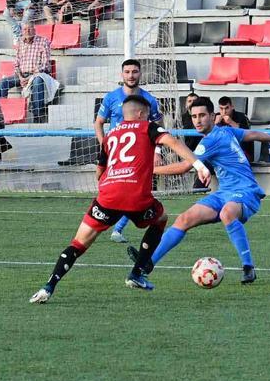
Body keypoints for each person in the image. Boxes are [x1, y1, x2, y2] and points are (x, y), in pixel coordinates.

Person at [30, 95, 210, 303]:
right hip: (136, 196)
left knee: (78, 243)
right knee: (161, 219)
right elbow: (173, 142)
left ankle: (48, 287)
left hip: (108, 196)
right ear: (141, 114)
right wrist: (199, 165)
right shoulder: (148, 127)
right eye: (148, 114)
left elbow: (99, 172)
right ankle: (137, 272)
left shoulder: (110, 135)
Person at [138, 96, 270, 285]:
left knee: (227, 213)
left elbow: (185, 166)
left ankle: (248, 267)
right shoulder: (226, 131)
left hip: (246, 191)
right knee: (184, 219)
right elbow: (252, 134)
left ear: (212, 116)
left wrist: (149, 170)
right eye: (194, 116)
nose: (198, 120)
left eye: (202, 115)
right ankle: (148, 264)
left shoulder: (209, 141)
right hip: (223, 193)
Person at [94, 59, 162, 243]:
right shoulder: (111, 97)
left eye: (134, 72)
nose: (131, 75)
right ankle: (107, 224)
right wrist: (105, 146)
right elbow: (98, 123)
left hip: (139, 154)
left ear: (140, 73)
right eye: (127, 72)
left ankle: (117, 228)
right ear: (122, 74)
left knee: (133, 189)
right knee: (115, 188)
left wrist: (157, 150)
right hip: (115, 154)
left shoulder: (149, 100)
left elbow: (158, 124)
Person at [0, 22, 52, 120]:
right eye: (25, 29)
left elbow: (45, 65)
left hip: (37, 75)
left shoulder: (43, 41)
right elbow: (16, 63)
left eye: (30, 29)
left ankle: (37, 116)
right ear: (22, 31)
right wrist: (21, 77)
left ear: (34, 30)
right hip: (21, 76)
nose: (27, 31)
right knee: (2, 83)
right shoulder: (20, 42)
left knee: (37, 81)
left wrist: (31, 77)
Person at [216, 96, 254, 162]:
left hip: (241, 151)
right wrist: (215, 124)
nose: (224, 112)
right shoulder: (216, 117)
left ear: (232, 107)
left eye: (227, 108)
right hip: (223, 152)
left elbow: (247, 135)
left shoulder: (241, 116)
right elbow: (209, 137)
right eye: (221, 109)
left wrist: (231, 122)